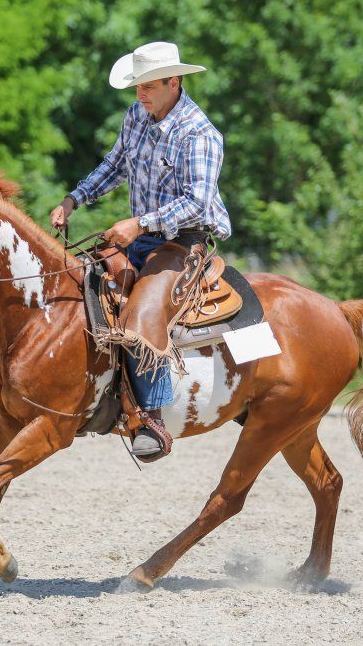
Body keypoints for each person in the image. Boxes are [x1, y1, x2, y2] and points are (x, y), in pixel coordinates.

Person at [50, 41, 231, 462]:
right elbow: (115, 165)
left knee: (141, 312)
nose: (139, 95)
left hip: (185, 240)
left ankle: (151, 418)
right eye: (136, 86)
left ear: (174, 82)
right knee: (83, 284)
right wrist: (74, 198)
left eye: (147, 86)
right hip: (140, 237)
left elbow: (198, 203)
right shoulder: (137, 116)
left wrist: (139, 223)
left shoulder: (200, 134)